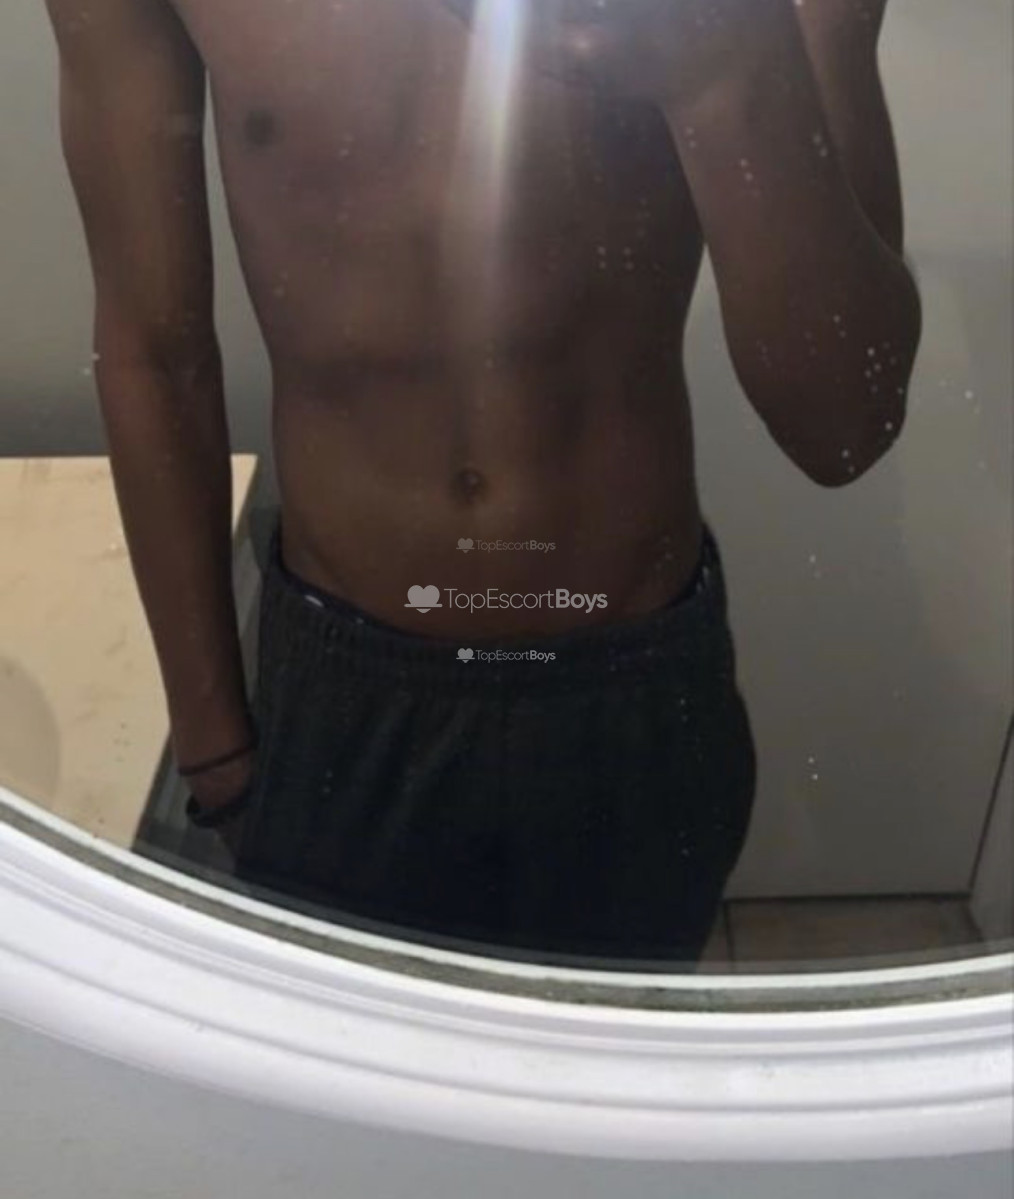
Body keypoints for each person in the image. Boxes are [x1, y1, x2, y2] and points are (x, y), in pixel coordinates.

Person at [43, 0, 920, 966]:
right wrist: (213, 748)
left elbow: (848, 427)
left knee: (610, 1055)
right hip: (341, 681)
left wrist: (726, 68)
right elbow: (153, 352)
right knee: (354, 1058)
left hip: (632, 676)